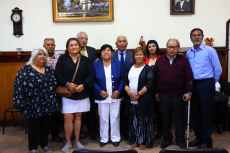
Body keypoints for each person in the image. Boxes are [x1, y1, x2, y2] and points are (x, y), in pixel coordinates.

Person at [13, 47, 59, 153]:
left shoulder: (49, 69)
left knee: (46, 126)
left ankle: (44, 145)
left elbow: (54, 85)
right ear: (34, 57)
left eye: (44, 54)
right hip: (33, 104)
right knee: (34, 127)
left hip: (48, 102)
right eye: (39, 54)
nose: (43, 56)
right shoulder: (25, 70)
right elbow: (18, 87)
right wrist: (18, 103)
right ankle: (33, 147)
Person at [55, 38, 94, 152]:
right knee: (67, 119)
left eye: (75, 45)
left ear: (79, 47)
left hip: (82, 92)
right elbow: (57, 73)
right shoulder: (62, 59)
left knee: (78, 118)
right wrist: (67, 84)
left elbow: (91, 75)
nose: (74, 47)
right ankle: (68, 142)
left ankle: (77, 140)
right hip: (68, 94)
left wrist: (84, 85)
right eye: (71, 45)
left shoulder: (86, 60)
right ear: (67, 48)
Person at [153, 39, 194, 149]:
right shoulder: (160, 60)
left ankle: (180, 139)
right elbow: (155, 78)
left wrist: (189, 92)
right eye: (169, 47)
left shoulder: (183, 60)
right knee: (165, 118)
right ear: (166, 48)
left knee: (179, 118)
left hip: (179, 95)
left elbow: (189, 77)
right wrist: (156, 92)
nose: (171, 49)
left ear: (178, 48)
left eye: (174, 47)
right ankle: (167, 138)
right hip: (163, 95)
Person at [187, 28, 222, 149]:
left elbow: (217, 69)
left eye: (198, 35)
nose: (196, 37)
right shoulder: (189, 53)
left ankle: (207, 141)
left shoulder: (210, 51)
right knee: (195, 113)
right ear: (190, 38)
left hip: (206, 84)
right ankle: (198, 138)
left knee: (206, 113)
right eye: (194, 35)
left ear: (202, 37)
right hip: (193, 85)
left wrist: (211, 83)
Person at [93, 44, 124, 147]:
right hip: (102, 96)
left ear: (112, 52)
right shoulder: (95, 64)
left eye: (108, 50)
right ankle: (104, 138)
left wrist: (119, 90)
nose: (106, 52)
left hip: (115, 96)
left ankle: (115, 138)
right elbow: (91, 80)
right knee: (103, 118)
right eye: (103, 51)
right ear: (100, 53)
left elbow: (123, 78)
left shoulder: (118, 63)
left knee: (115, 117)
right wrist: (99, 91)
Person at [124, 47, 154, 150]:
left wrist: (138, 94)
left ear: (145, 56)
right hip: (131, 99)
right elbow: (125, 82)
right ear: (134, 56)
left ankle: (144, 140)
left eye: (141, 54)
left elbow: (150, 84)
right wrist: (130, 93)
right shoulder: (129, 67)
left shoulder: (148, 68)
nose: (138, 56)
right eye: (137, 54)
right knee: (133, 120)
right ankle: (135, 139)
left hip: (144, 99)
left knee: (144, 121)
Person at [76, 31, 98, 140]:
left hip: (90, 84)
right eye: (81, 38)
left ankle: (92, 130)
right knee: (77, 110)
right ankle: (77, 133)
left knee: (91, 109)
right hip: (77, 85)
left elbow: (94, 66)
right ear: (77, 40)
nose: (84, 40)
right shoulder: (72, 49)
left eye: (86, 38)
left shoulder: (92, 50)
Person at [112, 35, 133, 140]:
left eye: (124, 41)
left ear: (127, 43)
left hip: (129, 87)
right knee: (116, 111)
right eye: (119, 41)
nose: (122, 43)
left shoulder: (132, 55)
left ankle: (126, 131)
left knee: (127, 110)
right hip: (116, 88)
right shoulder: (111, 55)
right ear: (116, 44)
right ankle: (116, 132)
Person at [43, 38, 63, 142]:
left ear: (55, 46)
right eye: (48, 45)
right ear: (44, 46)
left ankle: (55, 134)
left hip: (56, 90)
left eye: (52, 45)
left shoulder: (60, 58)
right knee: (44, 114)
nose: (50, 46)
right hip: (42, 92)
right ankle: (43, 136)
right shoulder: (41, 58)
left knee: (56, 113)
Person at [144, 40, 161, 139]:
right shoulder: (145, 59)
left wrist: (157, 91)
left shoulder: (162, 59)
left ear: (156, 47)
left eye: (153, 46)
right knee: (149, 111)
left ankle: (160, 130)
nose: (151, 48)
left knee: (159, 112)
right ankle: (149, 131)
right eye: (149, 46)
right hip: (147, 89)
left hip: (158, 89)